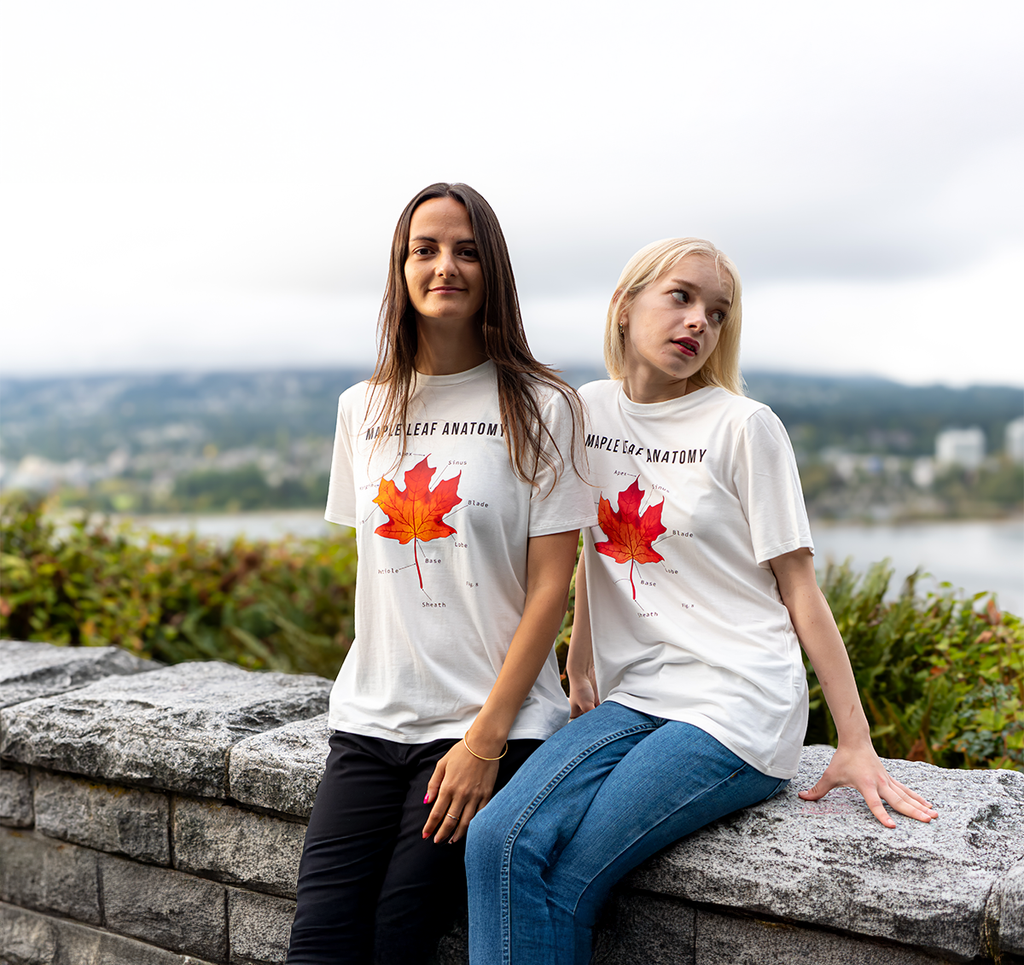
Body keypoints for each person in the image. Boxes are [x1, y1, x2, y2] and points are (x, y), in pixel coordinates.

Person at [465, 237, 938, 965]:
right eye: (681, 298)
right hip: (639, 695)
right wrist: (581, 662)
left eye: (717, 314)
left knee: (566, 879)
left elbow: (801, 590)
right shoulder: (586, 411)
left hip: (736, 704)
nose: (699, 324)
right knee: (497, 840)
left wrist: (856, 740)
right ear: (625, 308)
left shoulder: (744, 427)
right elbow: (601, 548)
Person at [286, 183, 596, 965]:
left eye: (465, 250)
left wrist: (485, 740)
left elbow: (550, 590)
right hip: (370, 718)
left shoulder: (543, 405)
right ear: (400, 269)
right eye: (424, 249)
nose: (445, 266)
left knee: (399, 939)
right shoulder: (364, 407)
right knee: (317, 943)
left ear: (492, 268)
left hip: (489, 722)